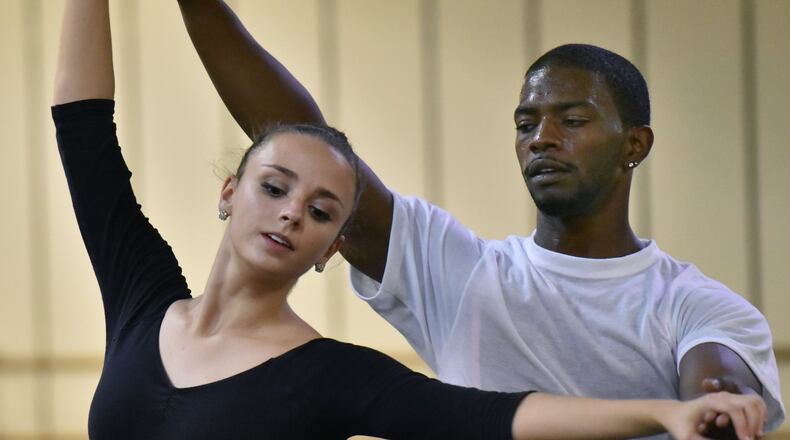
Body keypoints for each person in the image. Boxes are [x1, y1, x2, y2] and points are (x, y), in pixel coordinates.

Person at [52, 0, 770, 439]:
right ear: (231, 191)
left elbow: (491, 421)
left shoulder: (691, 304)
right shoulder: (460, 272)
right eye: (526, 122)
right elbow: (305, 145)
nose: (542, 138)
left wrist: (692, 410)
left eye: (572, 120)